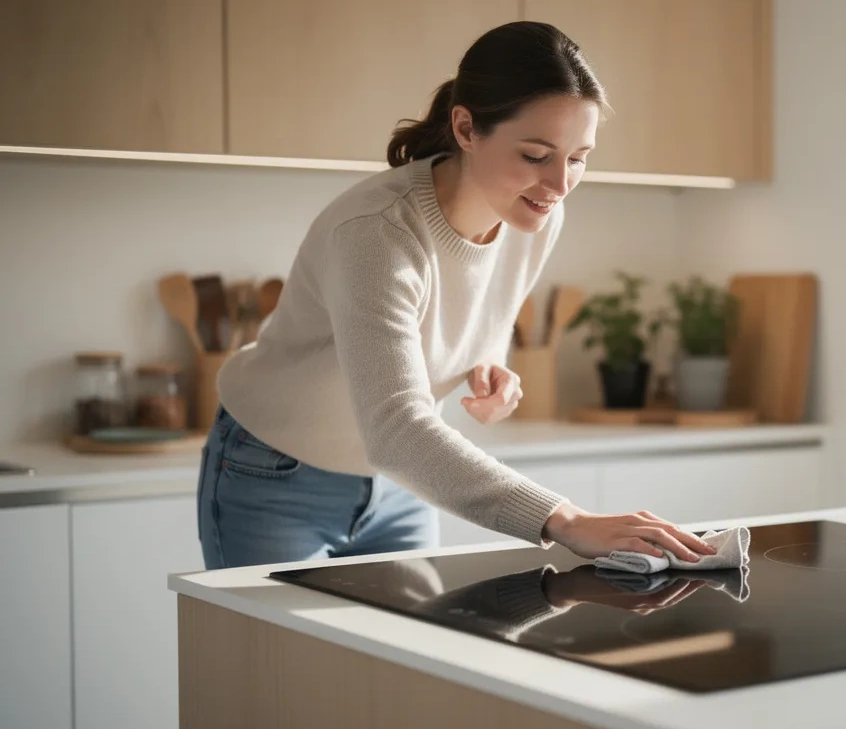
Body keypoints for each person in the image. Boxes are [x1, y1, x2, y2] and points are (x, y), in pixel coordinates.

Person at [197, 21, 716, 570]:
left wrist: (489, 365)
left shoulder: (535, 213)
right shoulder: (379, 232)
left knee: (406, 655)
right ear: (466, 128)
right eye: (537, 155)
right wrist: (566, 520)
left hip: (401, 484)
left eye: (579, 157)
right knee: (273, 658)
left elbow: (475, 321)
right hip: (274, 474)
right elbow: (397, 428)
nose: (561, 183)